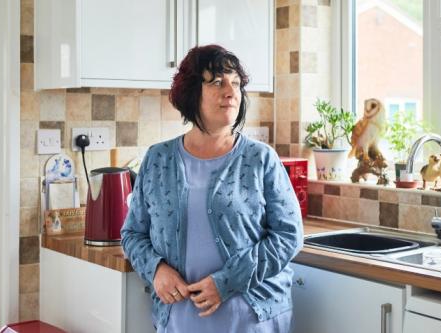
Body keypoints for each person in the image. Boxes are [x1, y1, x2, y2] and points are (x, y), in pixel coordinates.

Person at [121, 44, 304, 333]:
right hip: (178, 321)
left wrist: (227, 281)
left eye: (236, 83)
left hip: (252, 321)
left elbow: (289, 236)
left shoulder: (261, 158)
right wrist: (156, 269)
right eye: (218, 82)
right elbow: (132, 233)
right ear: (192, 92)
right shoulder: (158, 159)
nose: (231, 92)